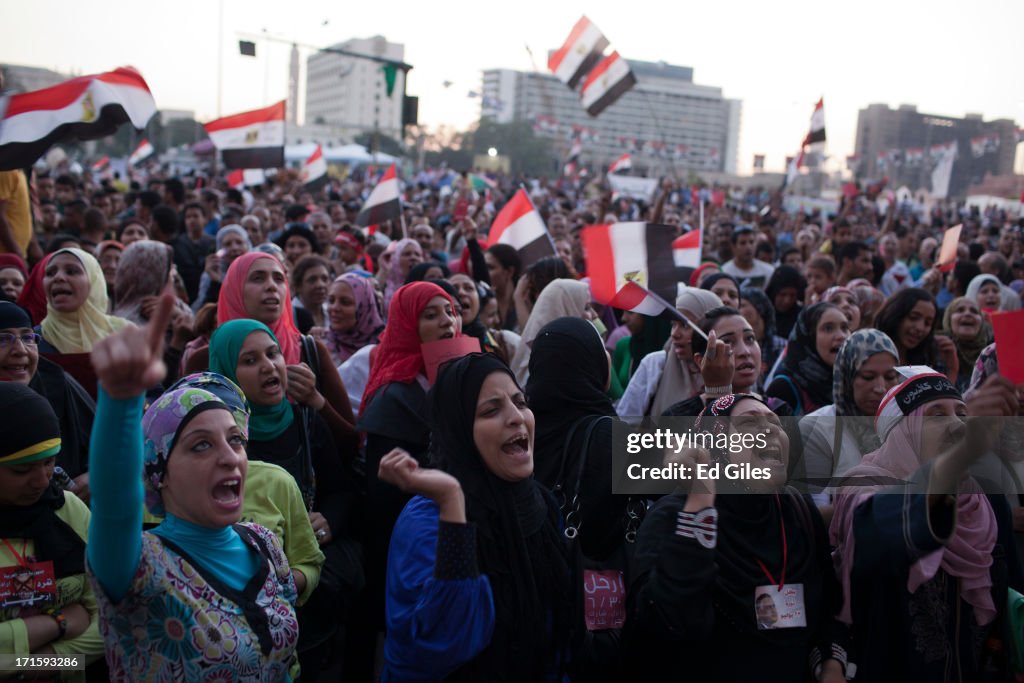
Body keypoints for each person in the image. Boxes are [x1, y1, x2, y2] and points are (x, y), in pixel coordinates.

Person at [86, 295, 300, 680]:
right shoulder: (139, 565)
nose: (229, 457)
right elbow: (114, 503)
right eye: (201, 444)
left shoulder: (264, 543)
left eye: (235, 440)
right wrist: (121, 402)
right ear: (159, 472)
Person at [624, 393, 849, 681]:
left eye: (776, 423)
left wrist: (831, 664)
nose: (770, 430)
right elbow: (665, 625)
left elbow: (830, 610)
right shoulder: (672, 517)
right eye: (748, 424)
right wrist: (700, 506)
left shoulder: (797, 511)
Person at [379, 353, 573, 681]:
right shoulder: (427, 519)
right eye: (490, 410)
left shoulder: (540, 503)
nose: (516, 417)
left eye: (520, 402)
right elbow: (440, 644)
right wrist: (453, 501)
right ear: (459, 431)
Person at [830, 369, 1022, 680]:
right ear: (903, 431)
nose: (957, 424)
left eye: (963, 413)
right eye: (936, 415)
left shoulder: (985, 500)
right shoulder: (863, 487)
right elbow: (877, 531)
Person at [208, 322, 362, 678]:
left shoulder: (304, 421)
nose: (268, 366)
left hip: (309, 602)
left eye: (273, 353)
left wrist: (328, 523)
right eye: (249, 360)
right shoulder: (220, 442)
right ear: (226, 372)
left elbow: (341, 490)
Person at [352, 280, 461, 678]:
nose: (446, 322)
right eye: (430, 315)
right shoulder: (394, 398)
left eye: (450, 310)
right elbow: (384, 505)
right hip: (412, 551)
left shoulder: (467, 380)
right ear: (406, 327)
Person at [184, 252, 358, 452]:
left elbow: (351, 441)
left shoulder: (311, 351)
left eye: (279, 278)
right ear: (234, 291)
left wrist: (315, 400)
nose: (271, 286)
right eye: (258, 278)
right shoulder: (203, 361)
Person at [0, 383, 104, 678]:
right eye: (22, 471)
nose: (43, 481)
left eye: (49, 463)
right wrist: (59, 623)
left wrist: (52, 662)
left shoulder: (68, 508)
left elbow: (111, 620)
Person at [0, 301, 96, 495]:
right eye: (3, 339)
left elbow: (113, 448)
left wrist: (95, 476)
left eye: (27, 337)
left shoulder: (55, 382)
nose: (20, 350)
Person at [799, 329, 900, 506]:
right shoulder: (817, 428)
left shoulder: (905, 426)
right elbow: (814, 516)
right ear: (846, 377)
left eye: (890, 377)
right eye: (868, 377)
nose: (881, 388)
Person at [37, 248, 131, 399]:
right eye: (50, 273)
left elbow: (153, 394)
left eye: (72, 271)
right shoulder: (33, 341)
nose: (58, 277)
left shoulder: (125, 334)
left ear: (94, 280)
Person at [617, 288, 722, 418]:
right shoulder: (655, 364)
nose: (675, 334)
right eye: (673, 324)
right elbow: (624, 422)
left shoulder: (728, 367)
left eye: (685, 325)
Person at [113, 240, 195, 388]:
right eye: (167, 269)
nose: (172, 276)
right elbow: (154, 389)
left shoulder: (179, 308)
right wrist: (177, 342)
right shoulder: (123, 324)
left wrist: (177, 316)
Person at [766, 302, 851, 417]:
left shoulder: (853, 382)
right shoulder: (783, 389)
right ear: (808, 336)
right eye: (828, 328)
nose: (841, 336)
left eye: (845, 328)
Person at [509, 279, 593, 384]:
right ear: (566, 308)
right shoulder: (538, 371)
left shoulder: (583, 355)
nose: (594, 315)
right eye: (586, 307)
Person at [875, 288, 958, 383]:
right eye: (913, 318)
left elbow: (942, 397)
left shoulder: (924, 363)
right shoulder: (872, 353)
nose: (920, 328)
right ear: (895, 315)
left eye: (927, 323)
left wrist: (952, 368)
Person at [324, 273, 385, 367]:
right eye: (331, 301)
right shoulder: (322, 345)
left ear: (364, 307)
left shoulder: (385, 347)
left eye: (345, 302)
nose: (335, 308)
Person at [192, 224, 252, 312]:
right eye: (227, 244)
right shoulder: (210, 275)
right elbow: (204, 312)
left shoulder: (256, 271)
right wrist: (215, 282)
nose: (234, 248)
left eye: (239, 242)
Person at [941, 297, 992, 393]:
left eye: (974, 311)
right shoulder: (937, 351)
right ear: (948, 319)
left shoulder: (992, 355)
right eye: (960, 310)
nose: (968, 313)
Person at [739, 288, 786, 390]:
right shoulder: (736, 347)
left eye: (742, 305)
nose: (737, 310)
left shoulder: (782, 346)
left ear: (760, 308)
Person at [290, 255, 332, 332]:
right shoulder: (290, 316)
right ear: (298, 286)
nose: (320, 285)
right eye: (312, 280)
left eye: (324, 279)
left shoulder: (332, 312)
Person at [765, 265, 806, 339]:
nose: (787, 301)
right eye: (782, 294)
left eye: (792, 295)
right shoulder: (762, 315)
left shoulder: (801, 316)